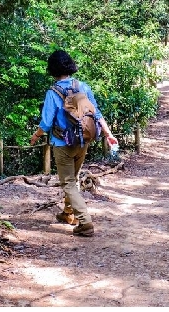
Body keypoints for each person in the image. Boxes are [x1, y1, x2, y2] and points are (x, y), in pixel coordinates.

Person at [30, 49, 115, 237]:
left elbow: (46, 122)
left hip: (63, 144)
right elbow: (96, 113)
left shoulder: (53, 92)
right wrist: (108, 133)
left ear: (52, 69)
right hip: (83, 141)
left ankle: (85, 222)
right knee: (73, 179)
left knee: (68, 182)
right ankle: (69, 214)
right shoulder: (83, 86)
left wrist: (35, 136)